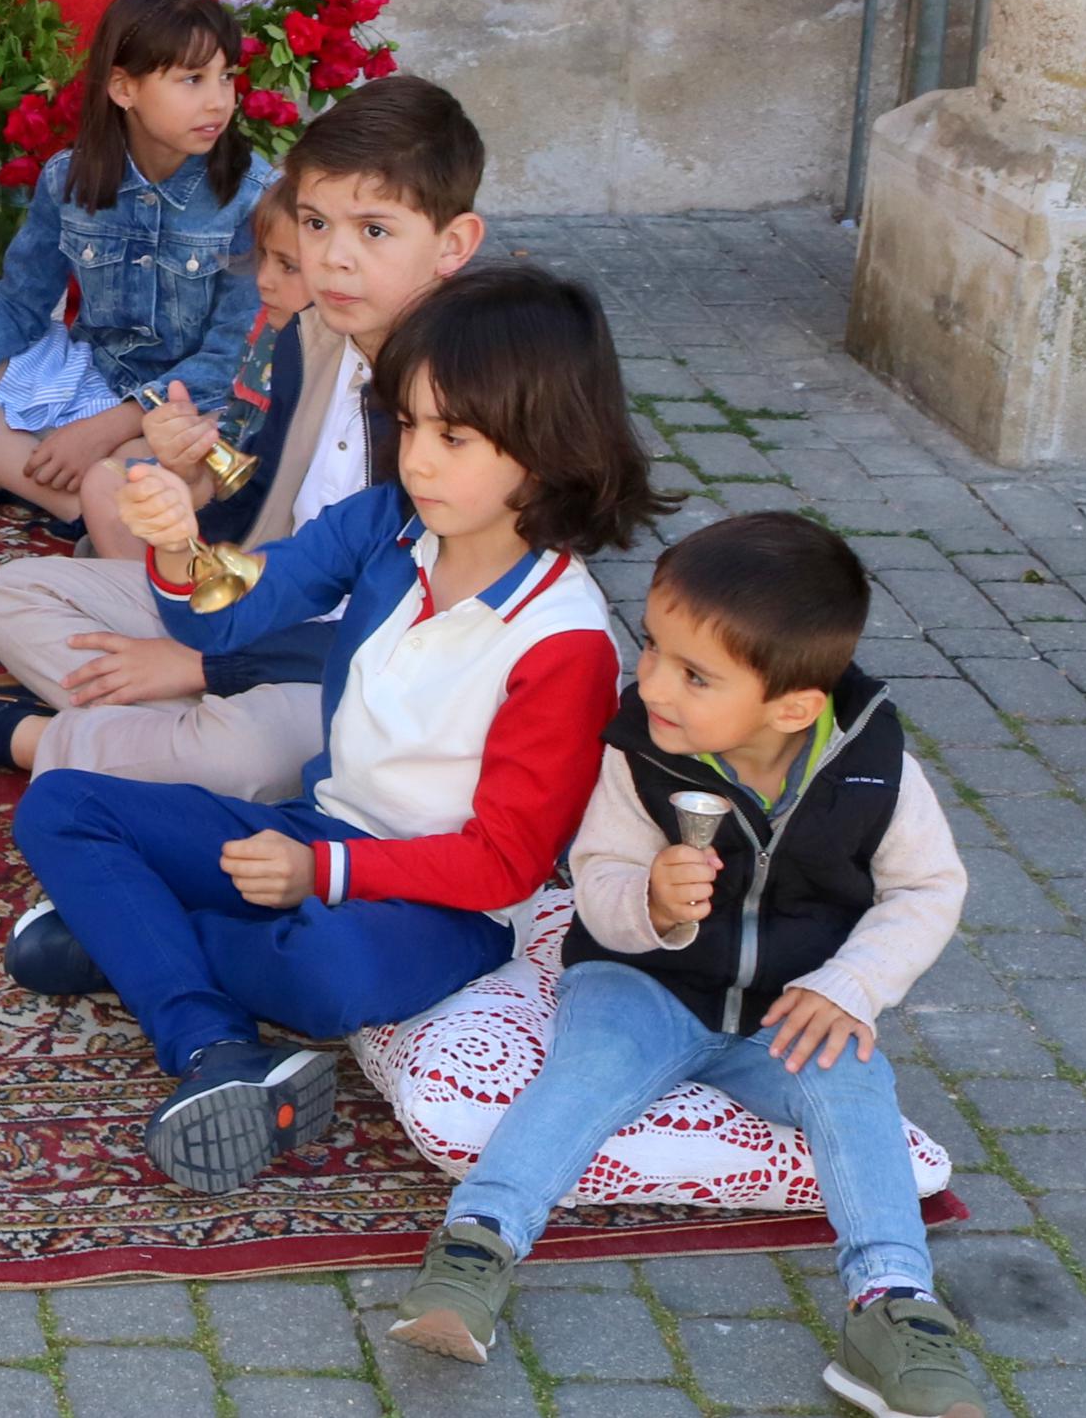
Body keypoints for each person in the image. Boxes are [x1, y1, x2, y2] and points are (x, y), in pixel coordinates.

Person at [9, 265, 664, 1193]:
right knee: (62, 803)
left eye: (455, 436)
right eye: (406, 424)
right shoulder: (388, 524)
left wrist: (324, 874)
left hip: (449, 904)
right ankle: (215, 1044)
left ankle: (138, 947)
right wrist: (176, 542)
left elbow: (505, 864)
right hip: (316, 827)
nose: (418, 458)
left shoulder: (566, 643)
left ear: (546, 447)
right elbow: (227, 615)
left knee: (331, 974)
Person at [387, 511, 983, 1418]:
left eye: (693, 674)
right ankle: (476, 1242)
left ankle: (892, 1307)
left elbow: (928, 889)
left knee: (856, 1083)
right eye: (654, 648)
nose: (653, 681)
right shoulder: (640, 752)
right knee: (585, 1073)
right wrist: (652, 904)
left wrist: (846, 988)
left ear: (792, 706)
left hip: (789, 1004)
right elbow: (596, 877)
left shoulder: (872, 766)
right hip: (642, 980)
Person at [0, 77, 490, 793]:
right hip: (259, 603)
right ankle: (156, 726)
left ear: (451, 243)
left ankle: (27, 735)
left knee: (249, 756)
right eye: (314, 223)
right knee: (15, 592)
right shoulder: (309, 337)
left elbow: (422, 634)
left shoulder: (467, 396)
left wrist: (200, 666)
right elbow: (259, 533)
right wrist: (189, 488)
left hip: (357, 665)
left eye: (372, 230)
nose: (332, 257)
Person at [0, 0, 271, 523]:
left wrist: (108, 428)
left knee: (137, 474)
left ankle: (12, 473)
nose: (218, 100)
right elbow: (21, 303)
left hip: (186, 410)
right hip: (91, 374)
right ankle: (67, 500)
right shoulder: (69, 179)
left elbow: (232, 358)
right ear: (123, 89)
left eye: (226, 77)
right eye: (192, 79)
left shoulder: (252, 198)